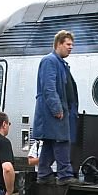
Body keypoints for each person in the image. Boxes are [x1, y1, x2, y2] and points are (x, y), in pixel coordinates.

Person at [32, 30, 79, 185]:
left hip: (58, 110)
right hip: (53, 112)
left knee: (50, 143)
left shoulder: (60, 63)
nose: (71, 47)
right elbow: (49, 87)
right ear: (58, 44)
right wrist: (57, 108)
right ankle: (65, 175)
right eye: (68, 44)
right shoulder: (50, 61)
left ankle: (44, 174)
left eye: (72, 45)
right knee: (61, 141)